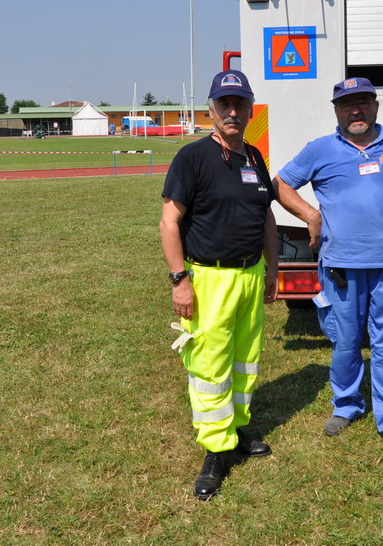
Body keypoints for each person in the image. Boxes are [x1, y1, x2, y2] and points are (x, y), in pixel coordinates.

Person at [273, 77, 383, 460]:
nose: (356, 110)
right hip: (340, 267)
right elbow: (281, 183)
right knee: (345, 342)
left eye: (363, 102)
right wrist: (311, 216)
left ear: (376, 106)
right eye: (347, 104)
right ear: (336, 110)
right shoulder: (319, 149)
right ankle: (346, 405)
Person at [159, 69, 279, 499]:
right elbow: (169, 221)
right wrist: (180, 280)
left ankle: (237, 428)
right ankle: (215, 450)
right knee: (210, 367)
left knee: (245, 359)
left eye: (239, 103)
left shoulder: (254, 156)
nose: (232, 112)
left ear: (250, 110)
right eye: (224, 104)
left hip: (250, 275)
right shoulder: (192, 157)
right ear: (210, 110)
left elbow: (266, 215)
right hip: (208, 278)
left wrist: (272, 268)